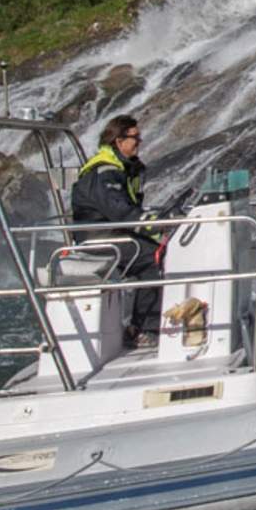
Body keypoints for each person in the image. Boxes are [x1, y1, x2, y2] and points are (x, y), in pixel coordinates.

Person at [70, 114, 162, 348]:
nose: (139, 142)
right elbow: (120, 211)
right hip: (98, 237)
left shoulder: (121, 168)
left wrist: (157, 221)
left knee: (155, 247)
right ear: (118, 141)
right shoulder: (105, 172)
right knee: (154, 256)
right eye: (135, 138)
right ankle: (145, 330)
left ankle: (145, 322)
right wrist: (156, 225)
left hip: (113, 233)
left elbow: (129, 211)